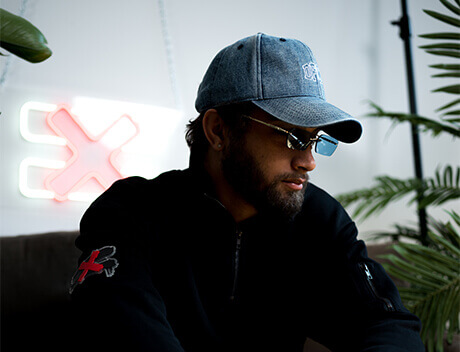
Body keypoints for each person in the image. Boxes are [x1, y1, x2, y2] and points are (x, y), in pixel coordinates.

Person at [70, 33, 424, 351]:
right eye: (292, 136)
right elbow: (123, 333)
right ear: (218, 131)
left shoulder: (318, 219)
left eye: (315, 140)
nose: (308, 161)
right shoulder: (131, 213)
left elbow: (387, 323)